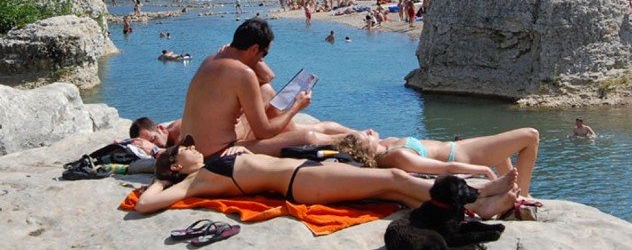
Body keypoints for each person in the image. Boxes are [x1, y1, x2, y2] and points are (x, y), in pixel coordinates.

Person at [134, 135, 521, 219]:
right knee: (397, 180)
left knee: (397, 187)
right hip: (301, 184)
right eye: (183, 147)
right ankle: (476, 193)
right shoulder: (193, 181)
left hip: (307, 174)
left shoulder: (211, 163)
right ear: (174, 165)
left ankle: (473, 208)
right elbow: (148, 203)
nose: (189, 144)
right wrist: (162, 182)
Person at [179, 18, 351, 159]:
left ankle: (342, 134)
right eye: (264, 54)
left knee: (266, 90)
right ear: (254, 49)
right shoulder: (243, 73)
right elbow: (263, 133)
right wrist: (296, 107)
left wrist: (234, 50)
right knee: (307, 138)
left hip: (193, 147)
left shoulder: (211, 59)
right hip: (216, 153)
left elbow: (267, 77)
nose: (262, 60)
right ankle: (358, 141)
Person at [337, 127, 539, 198]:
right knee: (531, 136)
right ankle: (521, 195)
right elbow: (445, 168)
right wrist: (484, 170)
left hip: (456, 147)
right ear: (368, 151)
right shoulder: (397, 156)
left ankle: (514, 191)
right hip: (460, 156)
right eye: (366, 136)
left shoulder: (385, 146)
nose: (370, 131)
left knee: (502, 149)